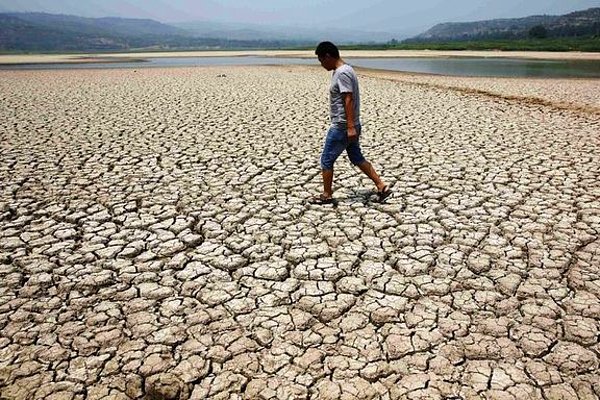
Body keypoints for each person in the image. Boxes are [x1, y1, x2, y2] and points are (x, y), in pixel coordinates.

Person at [310, 41, 391, 205]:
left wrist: (350, 126)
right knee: (356, 157)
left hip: (342, 127)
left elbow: (348, 99)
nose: (321, 64)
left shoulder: (342, 73)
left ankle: (327, 195)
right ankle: (381, 186)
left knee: (326, 160)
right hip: (348, 126)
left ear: (328, 56)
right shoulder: (343, 70)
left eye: (321, 60)